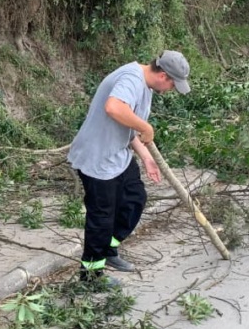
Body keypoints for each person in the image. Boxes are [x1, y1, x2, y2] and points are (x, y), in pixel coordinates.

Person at [68, 50, 191, 285]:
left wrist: (145, 156)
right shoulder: (132, 79)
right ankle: (91, 276)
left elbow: (128, 126)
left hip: (118, 156)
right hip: (98, 159)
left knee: (134, 198)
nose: (171, 91)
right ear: (164, 76)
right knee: (102, 217)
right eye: (173, 86)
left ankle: (109, 250)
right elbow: (114, 108)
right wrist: (146, 127)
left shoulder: (145, 85)